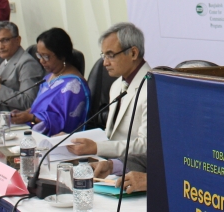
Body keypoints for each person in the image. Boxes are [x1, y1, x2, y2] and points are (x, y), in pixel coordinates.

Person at [66, 22, 150, 159]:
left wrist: (97, 147)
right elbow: (110, 135)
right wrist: (71, 140)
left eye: (111, 55)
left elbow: (146, 145)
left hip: (135, 170)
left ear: (134, 53)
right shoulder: (117, 85)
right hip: (110, 162)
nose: (105, 63)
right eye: (104, 56)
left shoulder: (152, 89)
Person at [10, 28, 91, 135]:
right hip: (35, 132)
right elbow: (43, 108)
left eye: (46, 56)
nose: (41, 61)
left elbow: (64, 123)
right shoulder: (49, 77)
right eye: (39, 55)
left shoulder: (74, 85)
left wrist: (31, 117)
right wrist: (25, 113)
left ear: (62, 56)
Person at [0, 21, 43, 111]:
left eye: (5, 40)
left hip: (21, 121)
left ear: (18, 40)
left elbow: (29, 102)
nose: (0, 46)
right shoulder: (4, 62)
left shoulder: (27, 63)